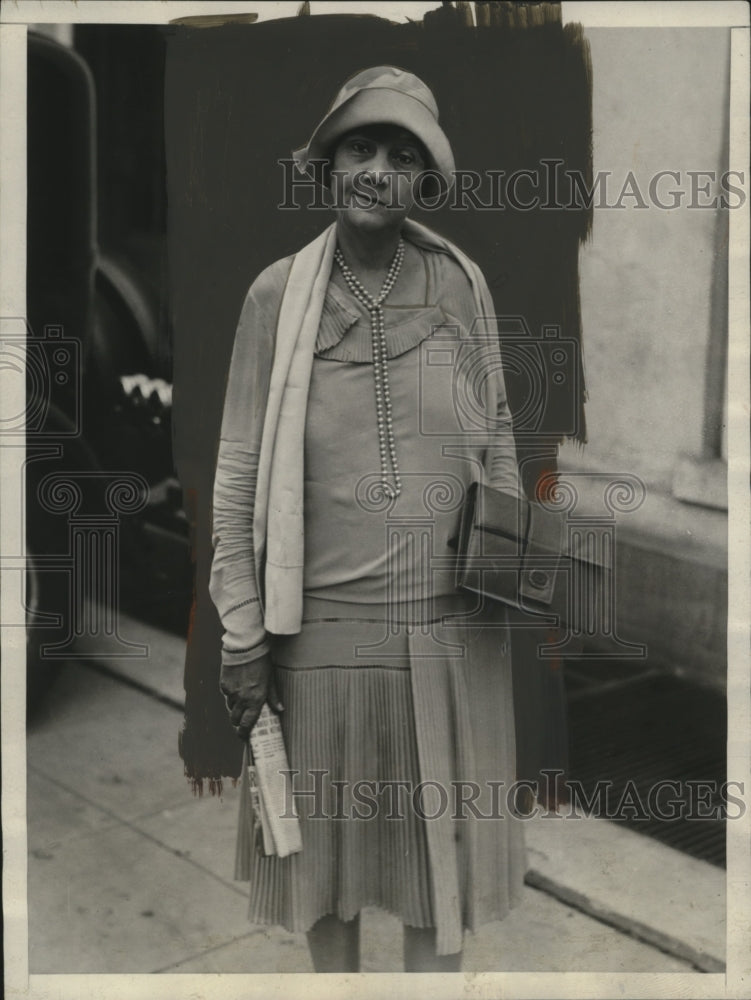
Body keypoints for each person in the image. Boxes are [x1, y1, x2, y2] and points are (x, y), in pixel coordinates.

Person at [208, 65, 526, 973]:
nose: (377, 170)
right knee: (324, 884)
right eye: (360, 147)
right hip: (318, 642)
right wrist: (241, 630)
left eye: (401, 153)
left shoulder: (460, 285)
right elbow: (239, 468)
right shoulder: (277, 294)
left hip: (445, 632)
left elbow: (494, 429)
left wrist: (509, 568)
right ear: (328, 165)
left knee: (442, 893)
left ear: (424, 177)